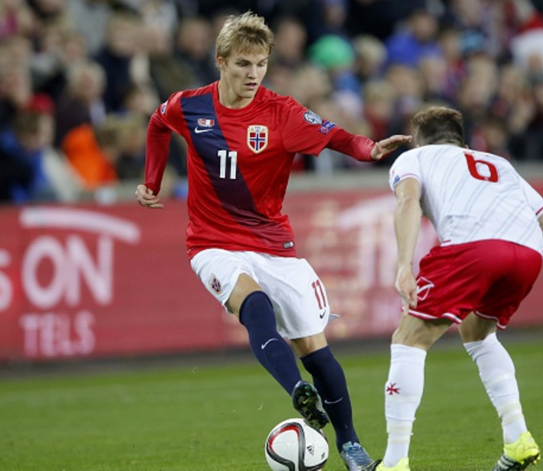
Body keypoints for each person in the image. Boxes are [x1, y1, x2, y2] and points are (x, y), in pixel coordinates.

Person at [134, 11, 411, 471]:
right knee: (254, 304)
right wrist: (152, 180)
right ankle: (296, 390)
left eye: (260, 64)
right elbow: (157, 123)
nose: (253, 74)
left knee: (316, 351)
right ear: (221, 61)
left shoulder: (282, 113)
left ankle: (350, 445)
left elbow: (337, 137)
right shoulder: (190, 106)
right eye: (243, 64)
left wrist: (370, 149)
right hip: (211, 243)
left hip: (273, 244)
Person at [375, 106, 543, 471]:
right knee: (477, 332)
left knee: (409, 340)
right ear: (463, 143)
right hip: (527, 255)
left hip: (473, 249)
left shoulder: (414, 158)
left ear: (419, 142)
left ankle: (394, 463)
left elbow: (407, 201)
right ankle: (517, 438)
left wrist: (404, 266)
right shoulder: (501, 165)